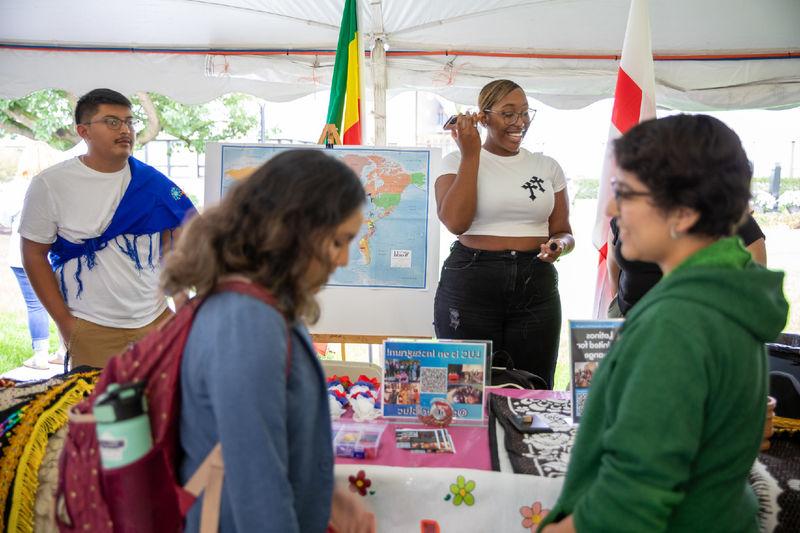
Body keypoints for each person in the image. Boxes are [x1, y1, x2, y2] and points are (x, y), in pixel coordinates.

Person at [540, 115, 788, 532]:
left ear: (685, 213)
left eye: (626, 194)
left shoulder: (676, 324)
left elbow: (627, 505)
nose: (611, 209)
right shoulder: (731, 291)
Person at [162, 149, 375, 533]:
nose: (343, 259)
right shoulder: (248, 322)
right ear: (298, 231)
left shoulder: (256, 302)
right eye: (339, 241)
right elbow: (256, 482)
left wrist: (326, 493)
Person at [18, 88, 195, 369]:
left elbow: (172, 242)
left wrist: (182, 302)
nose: (125, 129)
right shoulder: (51, 184)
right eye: (112, 121)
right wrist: (65, 324)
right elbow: (33, 255)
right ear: (83, 131)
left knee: (163, 408)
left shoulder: (153, 184)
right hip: (92, 328)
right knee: (99, 411)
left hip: (157, 321)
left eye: (129, 121)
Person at [434, 79, 574, 388]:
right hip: (472, 280)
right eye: (508, 113)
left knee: (533, 387)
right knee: (464, 390)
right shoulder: (456, 161)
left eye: (525, 113)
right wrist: (471, 155)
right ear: (483, 117)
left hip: (535, 281)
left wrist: (558, 246)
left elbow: (564, 232)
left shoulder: (547, 166)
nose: (520, 122)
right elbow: (456, 222)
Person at [607, 212, 767, 317]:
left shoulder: (731, 216)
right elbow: (613, 257)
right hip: (625, 318)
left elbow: (755, 288)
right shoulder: (632, 207)